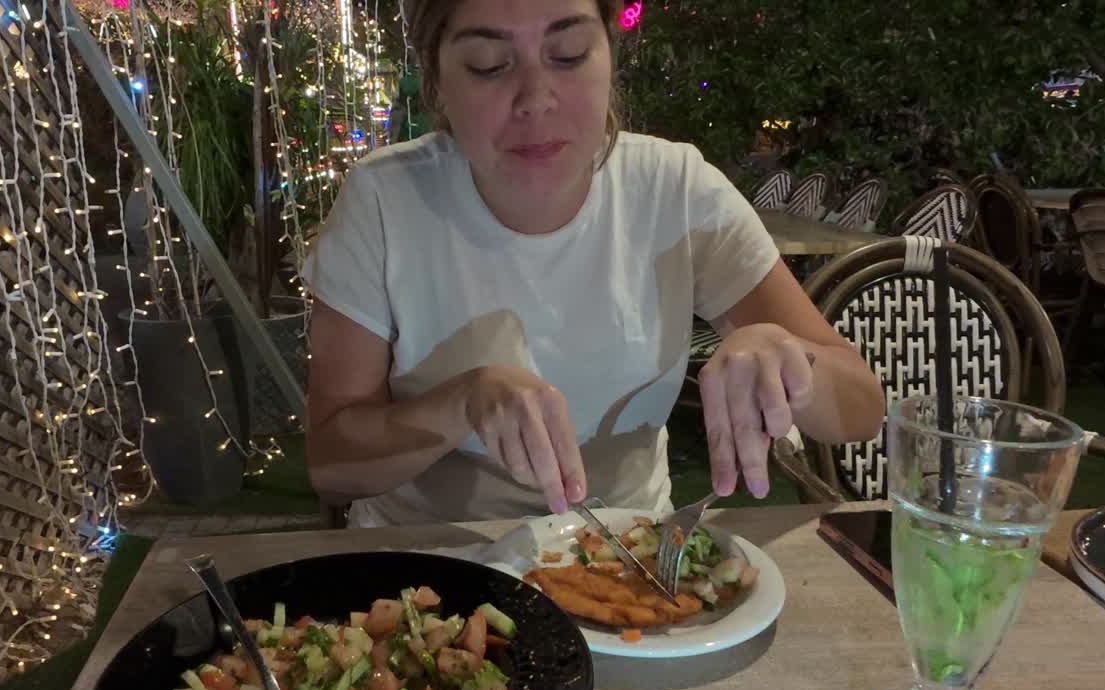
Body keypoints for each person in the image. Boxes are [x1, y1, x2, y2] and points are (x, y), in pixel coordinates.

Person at [302, 0, 885, 528]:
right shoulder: (386, 202)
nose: (535, 99)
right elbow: (332, 465)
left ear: (609, 54)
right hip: (430, 574)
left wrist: (789, 364)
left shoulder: (675, 191)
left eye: (568, 55)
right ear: (437, 82)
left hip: (625, 564)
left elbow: (863, 405)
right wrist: (461, 402)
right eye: (487, 64)